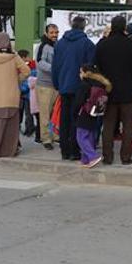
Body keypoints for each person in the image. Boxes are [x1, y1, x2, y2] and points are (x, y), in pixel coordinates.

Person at [95, 15, 132, 165]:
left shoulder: (102, 45)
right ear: (124, 27)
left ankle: (107, 157)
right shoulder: (131, 45)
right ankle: (126, 157)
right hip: (128, 93)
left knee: (108, 125)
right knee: (128, 125)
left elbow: (97, 67)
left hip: (107, 92)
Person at [52, 16, 96, 160]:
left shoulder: (59, 44)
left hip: (64, 86)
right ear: (83, 26)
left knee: (64, 119)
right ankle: (75, 151)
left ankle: (64, 150)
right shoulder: (88, 44)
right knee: (77, 119)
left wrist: (57, 84)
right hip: (80, 87)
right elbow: (90, 68)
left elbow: (55, 67)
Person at [73, 64, 111, 168]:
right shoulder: (101, 84)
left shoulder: (84, 85)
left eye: (81, 72)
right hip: (95, 112)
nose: (79, 74)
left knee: (81, 136)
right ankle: (85, 160)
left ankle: (92, 156)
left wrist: (74, 113)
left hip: (84, 112)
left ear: (86, 73)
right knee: (89, 135)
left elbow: (78, 102)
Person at [35, 24, 60, 150]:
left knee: (55, 113)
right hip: (45, 86)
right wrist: (55, 69)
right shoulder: (43, 46)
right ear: (46, 33)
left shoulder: (57, 45)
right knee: (45, 114)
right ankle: (46, 139)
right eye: (52, 32)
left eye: (56, 32)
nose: (54, 35)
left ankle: (56, 136)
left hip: (56, 85)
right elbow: (39, 62)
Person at [18, 49, 36, 138]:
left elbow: (29, 81)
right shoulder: (22, 67)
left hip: (26, 94)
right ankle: (25, 127)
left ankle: (29, 128)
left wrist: (21, 89)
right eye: (27, 57)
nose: (29, 58)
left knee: (28, 113)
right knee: (22, 112)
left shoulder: (31, 67)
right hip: (24, 94)